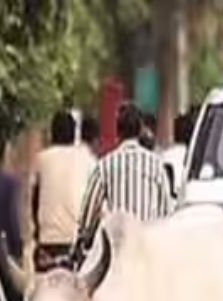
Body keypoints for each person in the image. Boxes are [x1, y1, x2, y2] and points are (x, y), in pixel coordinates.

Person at [74, 101, 176, 257]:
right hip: (148, 251)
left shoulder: (105, 165)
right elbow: (166, 215)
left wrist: (83, 239)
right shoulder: (156, 165)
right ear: (140, 130)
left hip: (117, 251)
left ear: (117, 132)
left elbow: (89, 213)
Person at [30, 110, 95, 273]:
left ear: (52, 134)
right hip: (77, 244)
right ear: (74, 136)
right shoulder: (88, 160)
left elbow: (34, 200)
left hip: (48, 243)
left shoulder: (41, 159)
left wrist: (38, 234)